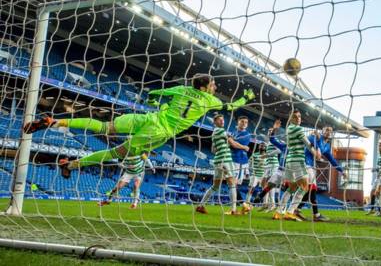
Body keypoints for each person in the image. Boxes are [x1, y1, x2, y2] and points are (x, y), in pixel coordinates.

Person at [24, 74, 254, 178]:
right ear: (204, 88)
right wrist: (247, 98)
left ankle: (56, 121)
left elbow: (154, 93)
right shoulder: (210, 100)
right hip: (160, 131)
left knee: (105, 127)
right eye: (213, 84)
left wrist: (154, 102)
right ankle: (73, 165)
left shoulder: (181, 89)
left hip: (148, 117)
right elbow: (230, 107)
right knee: (115, 152)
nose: (215, 87)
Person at [273, 110, 318, 222]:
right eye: (295, 117)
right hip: (298, 161)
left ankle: (278, 212)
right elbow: (308, 144)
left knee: (292, 187)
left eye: (299, 117)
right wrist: (316, 153)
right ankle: (290, 212)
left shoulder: (289, 129)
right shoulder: (298, 129)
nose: (298, 119)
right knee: (305, 187)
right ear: (291, 118)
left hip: (289, 161)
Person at [297, 125, 347, 222]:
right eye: (326, 130)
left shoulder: (327, 146)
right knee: (309, 188)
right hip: (305, 163)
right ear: (322, 131)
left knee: (311, 189)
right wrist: (318, 139)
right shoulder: (313, 137)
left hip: (311, 166)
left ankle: (300, 210)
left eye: (330, 130)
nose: (328, 131)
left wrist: (342, 171)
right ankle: (312, 213)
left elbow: (332, 160)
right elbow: (317, 151)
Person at [195, 114, 240, 215]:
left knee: (215, 186)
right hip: (226, 160)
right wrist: (244, 147)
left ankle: (201, 205)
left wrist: (223, 144)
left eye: (222, 120)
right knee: (232, 183)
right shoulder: (221, 131)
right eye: (219, 120)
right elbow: (233, 143)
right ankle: (233, 209)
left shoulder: (214, 133)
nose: (222, 122)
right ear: (215, 122)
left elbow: (213, 150)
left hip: (217, 161)